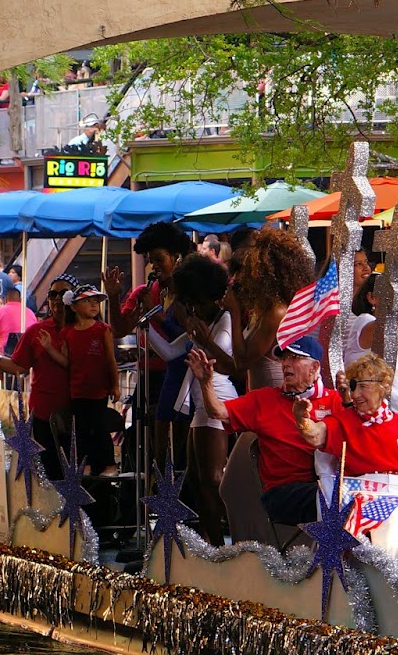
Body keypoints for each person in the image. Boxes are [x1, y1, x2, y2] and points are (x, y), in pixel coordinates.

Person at [293, 351, 398, 574]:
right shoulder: (344, 421)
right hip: (366, 494)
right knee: (393, 519)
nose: (355, 394)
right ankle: (387, 588)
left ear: (383, 386)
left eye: (362, 386)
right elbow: (316, 435)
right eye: (352, 386)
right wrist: (302, 419)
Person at [188, 335, 343, 527]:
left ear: (315, 367)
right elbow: (217, 412)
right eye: (284, 358)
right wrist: (206, 383)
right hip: (284, 493)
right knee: (338, 500)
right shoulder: (264, 399)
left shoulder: (337, 401)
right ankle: (331, 555)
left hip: (327, 485)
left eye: (294, 358)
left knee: (361, 497)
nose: (286, 364)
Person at [146, 253, 239, 543]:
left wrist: (199, 334)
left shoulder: (223, 320)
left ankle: (235, 538)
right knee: (199, 483)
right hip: (200, 404)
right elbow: (173, 352)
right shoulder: (201, 323)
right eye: (191, 303)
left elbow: (220, 358)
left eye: (198, 302)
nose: (195, 308)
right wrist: (146, 327)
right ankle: (212, 544)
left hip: (218, 400)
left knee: (213, 480)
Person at [105, 221, 194, 474]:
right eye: (150, 260)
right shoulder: (146, 291)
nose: (153, 265)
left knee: (181, 442)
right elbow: (120, 328)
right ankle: (157, 490)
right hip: (149, 377)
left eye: (158, 259)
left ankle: (178, 492)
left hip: (184, 378)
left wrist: (157, 316)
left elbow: (191, 336)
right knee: (154, 444)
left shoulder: (190, 293)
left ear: (176, 257)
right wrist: (113, 296)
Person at [0, 276, 75, 478]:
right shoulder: (36, 331)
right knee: (50, 475)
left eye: (63, 293)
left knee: (80, 473)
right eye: (52, 294)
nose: (57, 299)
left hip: (79, 410)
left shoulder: (84, 329)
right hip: (44, 412)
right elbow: (18, 366)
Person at [229, 228, 314, 392]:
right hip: (259, 394)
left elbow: (241, 363)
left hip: (272, 398)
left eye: (248, 270)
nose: (240, 278)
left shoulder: (277, 312)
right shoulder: (266, 307)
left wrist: (235, 312)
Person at [346, 272, 398, 422]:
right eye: (390, 294)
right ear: (372, 298)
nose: (397, 299)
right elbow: (387, 325)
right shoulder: (363, 322)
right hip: (373, 416)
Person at [62, 285, 120, 476]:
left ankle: (109, 464)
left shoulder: (103, 330)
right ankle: (84, 464)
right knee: (81, 430)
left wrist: (115, 384)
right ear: (74, 307)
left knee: (100, 427)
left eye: (96, 301)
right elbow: (66, 361)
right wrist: (49, 348)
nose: (94, 305)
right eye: (88, 301)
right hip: (77, 389)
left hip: (98, 389)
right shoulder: (67, 332)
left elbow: (111, 359)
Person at [0, 286, 32, 355]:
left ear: (5, 300)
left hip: (6, 354)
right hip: (28, 352)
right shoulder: (30, 312)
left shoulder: (0, 311)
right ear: (20, 299)